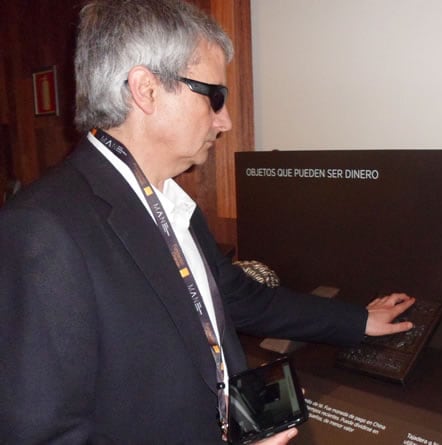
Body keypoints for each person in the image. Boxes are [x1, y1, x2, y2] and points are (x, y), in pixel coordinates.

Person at [0, 1, 415, 444]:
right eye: (214, 96)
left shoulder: (167, 200)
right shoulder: (43, 231)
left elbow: (241, 300)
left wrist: (357, 321)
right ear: (146, 89)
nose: (226, 120)